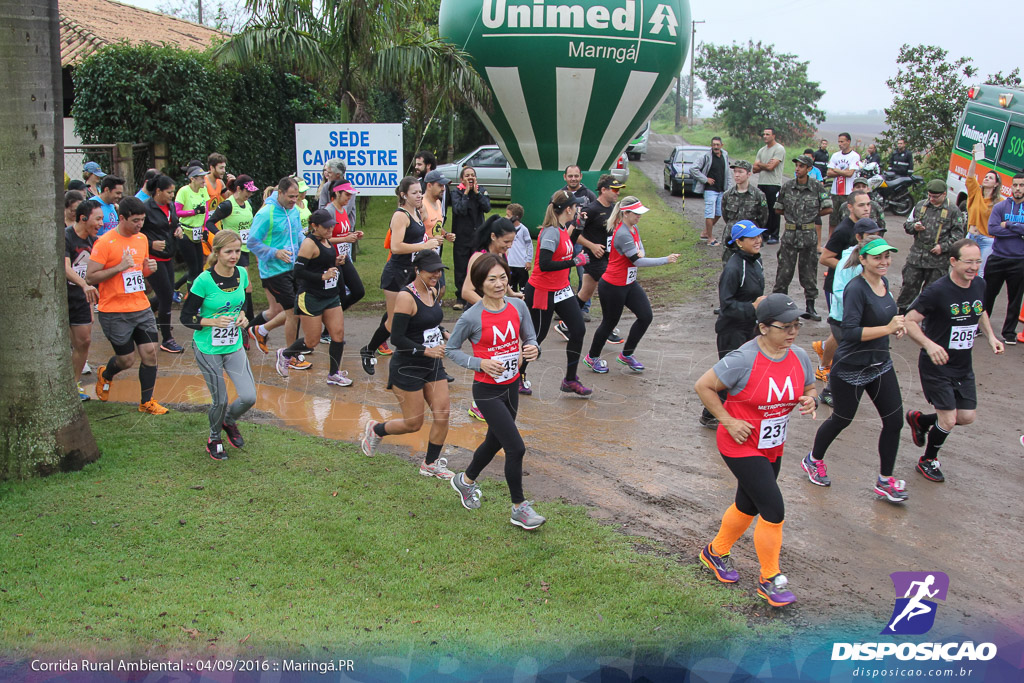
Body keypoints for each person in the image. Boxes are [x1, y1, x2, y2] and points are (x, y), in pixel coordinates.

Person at [694, 293, 817, 608]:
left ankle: (715, 551)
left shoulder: (799, 356)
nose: (792, 332)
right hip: (739, 443)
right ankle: (770, 579)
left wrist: (810, 399)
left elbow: (808, 387)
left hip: (772, 445)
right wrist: (728, 420)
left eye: (796, 326)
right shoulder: (743, 359)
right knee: (773, 509)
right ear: (763, 328)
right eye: (785, 327)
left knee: (748, 505)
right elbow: (703, 386)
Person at [444, 254, 545, 530]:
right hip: (487, 391)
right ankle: (519, 508)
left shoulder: (517, 307)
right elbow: (451, 350)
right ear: (480, 283)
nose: (499, 284)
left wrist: (534, 348)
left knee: (495, 441)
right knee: (515, 447)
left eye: (503, 277)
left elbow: (530, 338)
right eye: (492, 279)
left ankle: (464, 481)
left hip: (511, 386)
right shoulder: (471, 317)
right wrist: (479, 363)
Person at [803, 238, 908, 503]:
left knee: (894, 421)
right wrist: (887, 328)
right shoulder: (856, 289)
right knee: (842, 418)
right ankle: (813, 460)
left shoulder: (883, 283)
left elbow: (885, 317)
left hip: (880, 364)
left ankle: (885, 481)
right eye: (877, 258)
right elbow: (849, 331)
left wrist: (897, 325)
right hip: (851, 367)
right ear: (863, 260)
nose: (884, 262)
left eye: (887, 256)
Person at [904, 240, 1003, 483]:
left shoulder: (979, 283)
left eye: (978, 261)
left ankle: (921, 420)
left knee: (966, 416)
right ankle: (928, 460)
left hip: (962, 365)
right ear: (953, 262)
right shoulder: (937, 291)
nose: (974, 267)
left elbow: (979, 310)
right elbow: (908, 320)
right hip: (936, 365)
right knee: (948, 418)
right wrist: (929, 344)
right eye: (968, 262)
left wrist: (991, 337)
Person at [360, 251, 452, 479]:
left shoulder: (432, 290)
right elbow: (397, 338)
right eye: (432, 270)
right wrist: (426, 350)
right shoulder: (406, 297)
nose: (437, 274)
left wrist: (443, 332)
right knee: (413, 423)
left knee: (443, 413)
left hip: (432, 365)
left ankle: (430, 464)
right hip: (407, 367)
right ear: (418, 270)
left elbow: (427, 322)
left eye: (439, 270)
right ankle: (376, 429)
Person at [85, 197, 168, 415]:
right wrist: (119, 267)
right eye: (135, 220)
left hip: (140, 307)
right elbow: (91, 277)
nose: (140, 224)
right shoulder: (104, 243)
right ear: (122, 218)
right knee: (127, 359)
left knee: (150, 353)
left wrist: (149, 269)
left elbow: (140, 273)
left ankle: (146, 402)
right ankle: (106, 374)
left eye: (142, 220)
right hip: (114, 311)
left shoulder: (141, 239)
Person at [180, 230, 256, 460]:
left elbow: (245, 307)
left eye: (237, 251)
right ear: (217, 253)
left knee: (248, 397)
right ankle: (214, 438)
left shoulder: (242, 274)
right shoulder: (204, 280)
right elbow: (186, 317)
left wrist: (243, 317)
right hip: (208, 348)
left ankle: (228, 421)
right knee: (220, 400)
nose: (234, 256)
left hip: (233, 345)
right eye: (228, 251)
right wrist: (211, 321)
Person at [583, 197, 680, 373]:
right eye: (636, 214)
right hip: (613, 286)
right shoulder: (622, 234)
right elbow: (638, 260)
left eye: (640, 214)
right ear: (625, 213)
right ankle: (592, 357)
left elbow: (640, 249)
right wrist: (665, 260)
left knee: (646, 316)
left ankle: (626, 355)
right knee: (609, 322)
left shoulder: (632, 228)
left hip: (628, 283)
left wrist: (639, 253)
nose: (639, 217)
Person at [359, 177, 441, 375]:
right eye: (414, 192)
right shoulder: (400, 216)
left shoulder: (417, 212)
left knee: (402, 314)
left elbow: (417, 238)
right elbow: (396, 247)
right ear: (404, 195)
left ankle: (421, 359)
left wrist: (433, 240)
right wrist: (425, 245)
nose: (419, 195)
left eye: (420, 191)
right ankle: (369, 350)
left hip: (411, 272)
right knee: (393, 321)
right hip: (396, 273)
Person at [521, 189, 593, 396]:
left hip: (561, 289)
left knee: (578, 330)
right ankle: (518, 375)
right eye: (576, 205)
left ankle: (570, 379)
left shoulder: (562, 228)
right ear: (568, 209)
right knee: (537, 336)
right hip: (542, 290)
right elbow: (544, 264)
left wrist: (579, 226)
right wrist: (574, 262)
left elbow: (568, 245)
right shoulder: (551, 231)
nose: (579, 208)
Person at [271, 208, 351, 386]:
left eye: (332, 226)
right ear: (314, 226)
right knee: (311, 341)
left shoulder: (326, 239)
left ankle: (334, 373)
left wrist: (335, 262)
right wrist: (322, 276)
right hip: (311, 297)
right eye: (326, 227)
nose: (330, 230)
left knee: (337, 334)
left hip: (330, 295)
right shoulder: (309, 243)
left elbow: (321, 262)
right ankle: (285, 354)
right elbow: (298, 272)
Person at [699, 221, 766, 428]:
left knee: (743, 373)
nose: (758, 240)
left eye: (759, 236)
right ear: (738, 242)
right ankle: (710, 415)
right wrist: (753, 307)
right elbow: (726, 305)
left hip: (749, 327)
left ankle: (730, 411)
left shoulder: (756, 261)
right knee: (729, 374)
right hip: (731, 329)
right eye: (752, 238)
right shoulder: (734, 267)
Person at [463, 215, 527, 404]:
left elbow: (501, 277)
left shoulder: (500, 254)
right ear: (493, 237)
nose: (509, 246)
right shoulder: (479, 257)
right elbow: (467, 291)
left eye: (512, 241)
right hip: (480, 314)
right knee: (490, 358)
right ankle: (479, 403)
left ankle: (498, 397)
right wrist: (490, 309)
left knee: (504, 355)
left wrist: (511, 293)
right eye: (506, 241)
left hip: (498, 312)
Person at [247, 177, 308, 368]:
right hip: (273, 271)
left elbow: (298, 235)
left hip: (293, 267)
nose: (293, 200)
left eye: (296, 197)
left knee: (296, 311)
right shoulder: (266, 213)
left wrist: (306, 254)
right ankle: (290, 356)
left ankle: (261, 330)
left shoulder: (294, 211)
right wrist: (275, 252)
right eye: (290, 196)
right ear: (280, 193)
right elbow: (252, 242)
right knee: (293, 313)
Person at [773, 155, 832, 321]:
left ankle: (810, 307)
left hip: (808, 235)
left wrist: (810, 216)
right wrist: (793, 217)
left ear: (808, 169)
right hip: (790, 235)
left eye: (801, 166)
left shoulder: (816, 188)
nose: (797, 169)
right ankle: (779, 306)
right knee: (784, 271)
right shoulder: (788, 186)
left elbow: (828, 208)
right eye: (796, 166)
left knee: (809, 272)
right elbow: (778, 208)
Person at [896, 179, 966, 315]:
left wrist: (943, 247)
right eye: (930, 195)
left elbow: (958, 236)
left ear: (944, 194)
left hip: (937, 260)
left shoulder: (953, 211)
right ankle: (902, 313)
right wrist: (914, 227)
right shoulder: (921, 206)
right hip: (917, 255)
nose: (931, 199)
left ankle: (926, 317)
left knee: (933, 290)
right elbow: (907, 225)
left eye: (935, 196)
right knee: (909, 285)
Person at [573, 175, 627, 334]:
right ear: (603, 190)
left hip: (608, 258)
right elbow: (573, 234)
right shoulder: (591, 210)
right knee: (611, 289)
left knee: (585, 293)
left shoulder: (613, 209)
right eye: (614, 189)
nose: (617, 193)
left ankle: (567, 323)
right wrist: (592, 246)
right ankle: (608, 328)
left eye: (619, 190)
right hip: (593, 258)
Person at [141, 174, 184, 354]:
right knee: (166, 296)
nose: (172, 196)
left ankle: (143, 314)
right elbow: (137, 233)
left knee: (165, 294)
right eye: (169, 192)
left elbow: (173, 223)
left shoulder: (171, 206)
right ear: (157, 191)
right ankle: (167, 339)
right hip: (153, 259)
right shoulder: (146, 209)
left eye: (173, 192)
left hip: (168, 256)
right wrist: (150, 244)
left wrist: (178, 229)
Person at [66, 199, 102, 400]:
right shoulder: (66, 237)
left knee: (84, 341)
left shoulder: (94, 241)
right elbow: (66, 267)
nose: (101, 223)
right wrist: (84, 284)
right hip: (63, 298)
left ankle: (73, 385)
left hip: (82, 299)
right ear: (83, 218)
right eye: (97, 219)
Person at [983, 173, 1024, 344]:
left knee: (1015, 298)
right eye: (1015, 185)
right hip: (998, 257)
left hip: (1019, 260)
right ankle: (980, 327)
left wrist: (1008, 224)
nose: (1018, 189)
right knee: (987, 294)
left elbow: (1001, 228)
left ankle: (1009, 333)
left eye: (1021, 185)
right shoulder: (1000, 207)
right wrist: (1019, 230)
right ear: (1011, 186)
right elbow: (992, 229)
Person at [450, 166, 491, 310]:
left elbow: (487, 207)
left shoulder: (481, 191)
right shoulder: (456, 193)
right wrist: (466, 193)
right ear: (462, 179)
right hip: (461, 237)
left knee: (478, 266)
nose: (470, 178)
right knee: (461, 267)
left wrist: (477, 193)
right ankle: (461, 297)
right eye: (467, 176)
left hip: (478, 237)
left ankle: (477, 295)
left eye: (472, 175)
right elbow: (459, 209)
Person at [326, 181, 367, 312]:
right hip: (333, 259)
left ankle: (331, 318)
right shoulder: (329, 211)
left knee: (358, 291)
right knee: (340, 296)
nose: (349, 198)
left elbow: (341, 232)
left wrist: (353, 235)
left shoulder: (343, 209)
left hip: (344, 257)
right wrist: (345, 238)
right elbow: (322, 239)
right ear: (337, 193)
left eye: (350, 195)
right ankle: (329, 326)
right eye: (346, 194)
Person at [965, 143, 1003, 277]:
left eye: (991, 178)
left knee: (979, 272)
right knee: (963, 268)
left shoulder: (999, 203)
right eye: (986, 177)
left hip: (987, 240)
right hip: (971, 236)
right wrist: (974, 158)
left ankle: (978, 297)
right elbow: (970, 177)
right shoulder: (975, 193)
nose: (987, 178)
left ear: (996, 184)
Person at [720, 160, 768, 263]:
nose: (737, 175)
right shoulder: (728, 195)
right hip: (732, 234)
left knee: (751, 264)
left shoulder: (758, 195)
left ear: (748, 174)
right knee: (728, 264)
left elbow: (763, 216)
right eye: (735, 172)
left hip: (750, 235)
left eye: (740, 172)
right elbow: (725, 215)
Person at [174, 166, 211, 295]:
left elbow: (205, 211)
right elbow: (177, 212)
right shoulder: (183, 191)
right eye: (201, 178)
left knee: (199, 268)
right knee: (193, 268)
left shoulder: (203, 190)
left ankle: (196, 297)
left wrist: (205, 228)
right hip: (185, 232)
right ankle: (191, 298)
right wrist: (193, 212)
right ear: (192, 179)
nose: (204, 181)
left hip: (197, 232)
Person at [420, 169, 456, 300]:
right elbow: (415, 232)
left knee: (440, 290)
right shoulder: (421, 206)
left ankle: (431, 315)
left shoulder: (438, 202)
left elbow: (436, 225)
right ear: (429, 185)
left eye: (444, 186)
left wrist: (446, 235)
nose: (443, 189)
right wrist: (430, 239)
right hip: (422, 254)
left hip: (435, 253)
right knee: (432, 290)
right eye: (440, 185)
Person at [690, 137, 734, 244]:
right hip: (710, 190)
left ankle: (705, 232)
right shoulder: (705, 157)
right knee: (709, 213)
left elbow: (727, 173)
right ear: (711, 145)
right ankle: (710, 238)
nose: (716, 147)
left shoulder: (725, 155)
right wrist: (705, 179)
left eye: (718, 145)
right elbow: (693, 169)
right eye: (714, 144)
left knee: (719, 213)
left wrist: (729, 188)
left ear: (721, 145)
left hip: (721, 189)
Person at [752, 127, 785, 243]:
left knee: (774, 209)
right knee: (762, 209)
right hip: (762, 183)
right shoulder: (761, 150)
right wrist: (764, 165)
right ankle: (764, 233)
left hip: (773, 184)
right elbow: (754, 169)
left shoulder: (779, 149)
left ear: (773, 136)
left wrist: (761, 164)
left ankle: (774, 235)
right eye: (764, 134)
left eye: (768, 134)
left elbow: (771, 167)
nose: (765, 136)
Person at [826, 133, 861, 236]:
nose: (840, 144)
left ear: (848, 142)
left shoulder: (854, 156)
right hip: (835, 192)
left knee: (847, 219)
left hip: (848, 192)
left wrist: (836, 170)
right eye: (839, 142)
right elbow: (829, 173)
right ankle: (830, 241)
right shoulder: (835, 155)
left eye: (842, 141)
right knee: (833, 220)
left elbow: (850, 173)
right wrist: (842, 171)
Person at [505, 203, 533, 293]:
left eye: (508, 215)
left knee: (523, 289)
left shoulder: (523, 229)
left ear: (516, 217)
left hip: (521, 264)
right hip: (510, 264)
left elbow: (529, 245)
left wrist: (528, 260)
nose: (506, 217)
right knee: (511, 288)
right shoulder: (506, 229)